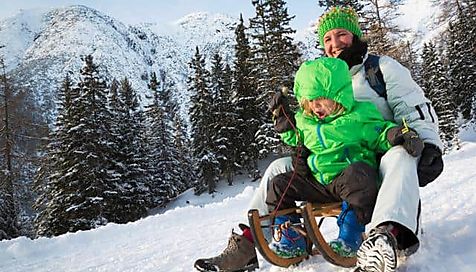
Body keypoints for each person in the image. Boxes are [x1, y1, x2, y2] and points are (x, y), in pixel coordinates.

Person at [195, 6, 444, 272]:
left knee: (399, 153)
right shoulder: (320, 78)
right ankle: (248, 244)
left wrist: (428, 144)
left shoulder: (380, 70)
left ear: (355, 36)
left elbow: (413, 107)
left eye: (341, 34)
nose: (335, 44)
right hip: (331, 166)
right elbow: (308, 133)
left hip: (375, 159)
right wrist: (287, 123)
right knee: (277, 169)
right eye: (327, 39)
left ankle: (387, 236)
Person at [263, 57, 424, 259]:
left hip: (348, 182)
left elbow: (381, 132)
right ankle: (291, 238)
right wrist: (282, 121)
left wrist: (400, 134)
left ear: (339, 96)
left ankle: (350, 237)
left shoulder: (358, 116)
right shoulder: (306, 121)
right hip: (318, 182)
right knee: (278, 184)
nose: (315, 106)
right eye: (310, 100)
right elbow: (295, 138)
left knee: (359, 173)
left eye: (321, 99)